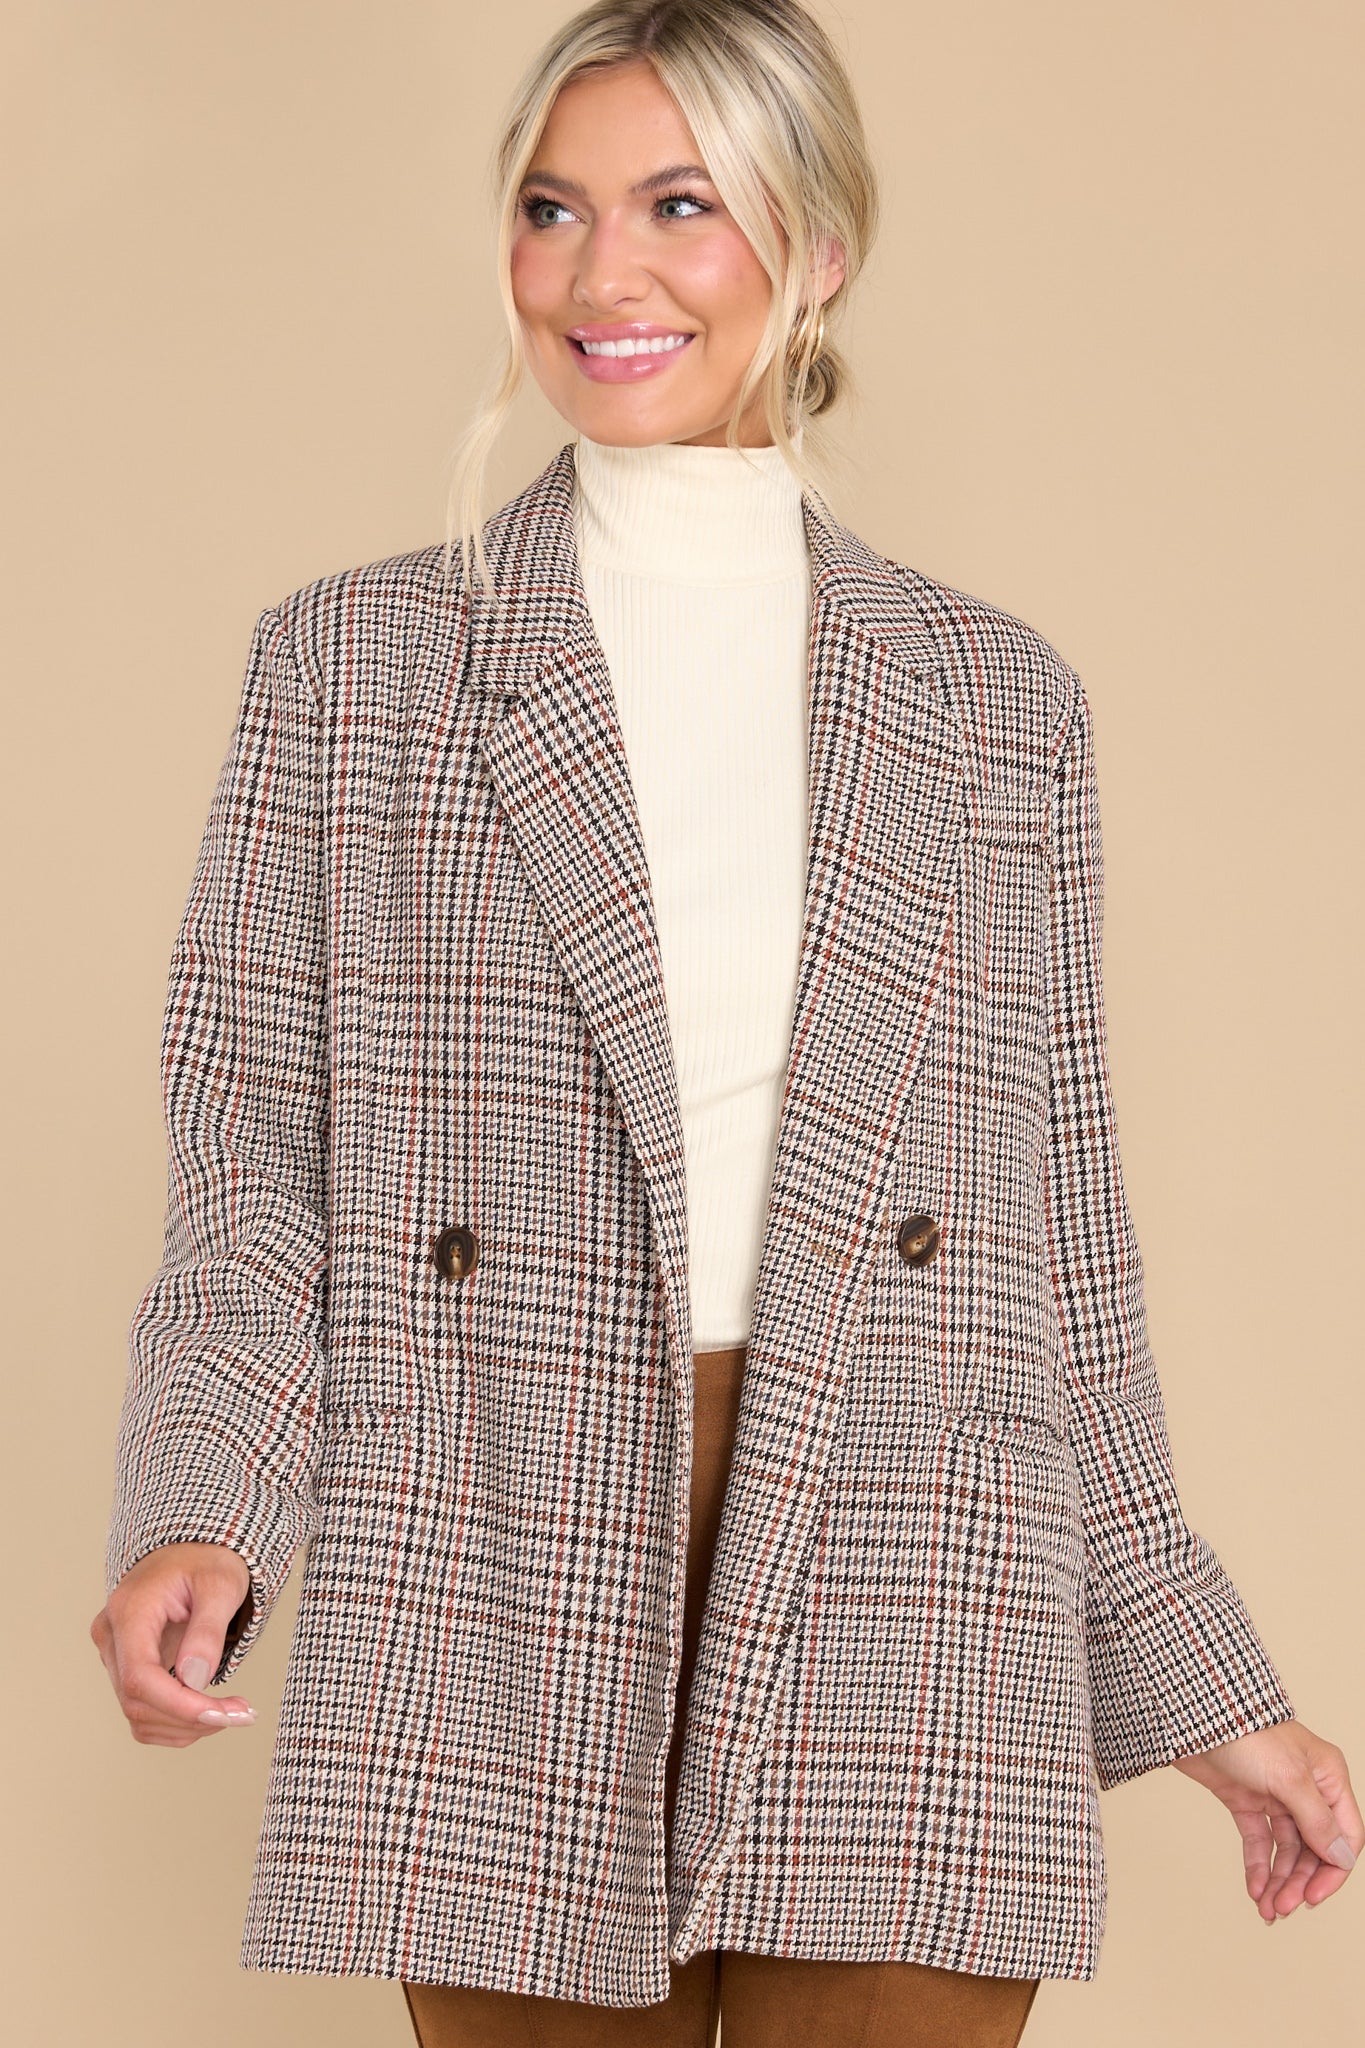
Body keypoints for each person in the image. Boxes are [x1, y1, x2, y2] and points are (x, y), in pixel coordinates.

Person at [90, 3, 1358, 2044]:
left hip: (908, 1536)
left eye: (679, 205)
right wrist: (202, 1506)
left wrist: (1205, 1684)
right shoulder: (351, 667)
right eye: (552, 209)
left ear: (817, 244)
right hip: (503, 1521)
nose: (603, 272)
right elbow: (251, 1168)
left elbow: (1053, 1251)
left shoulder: (992, 702)